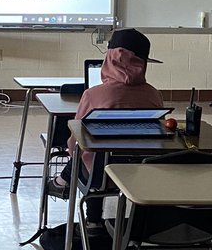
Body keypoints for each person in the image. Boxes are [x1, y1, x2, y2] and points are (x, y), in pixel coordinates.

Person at [48, 28, 163, 221]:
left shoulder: (93, 95)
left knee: (90, 156)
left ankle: (92, 221)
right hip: (141, 174)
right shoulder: (154, 95)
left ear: (109, 59)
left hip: (102, 176)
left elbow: (74, 142)